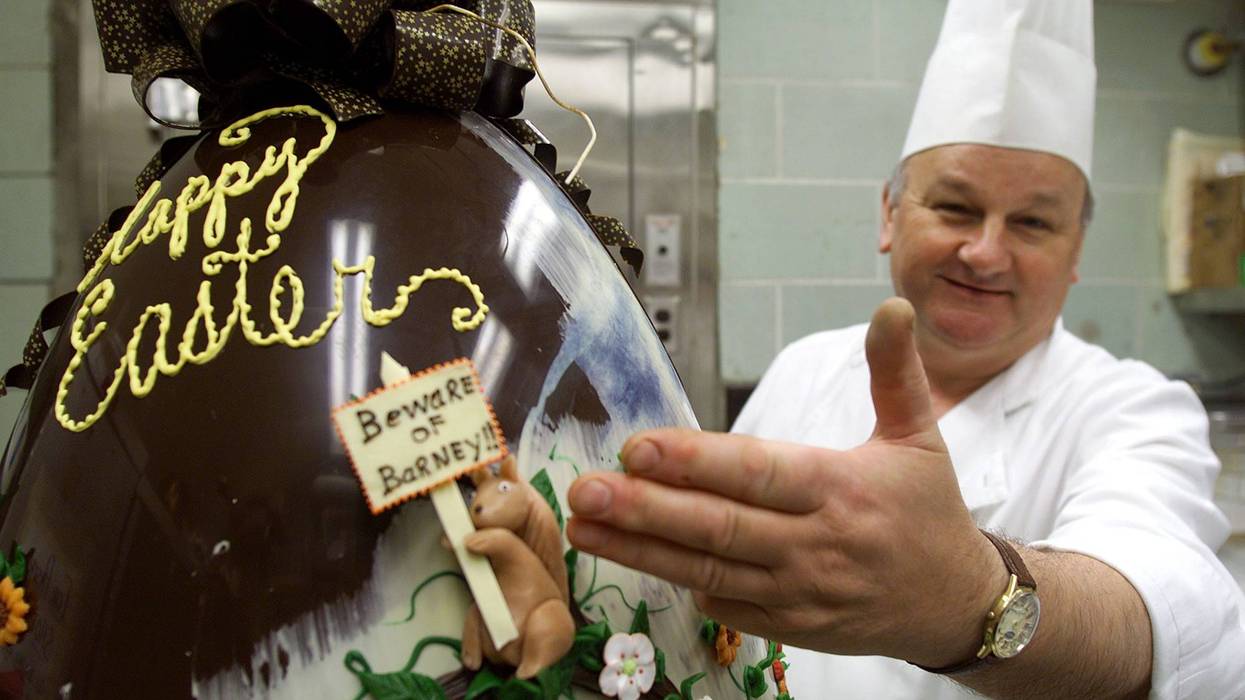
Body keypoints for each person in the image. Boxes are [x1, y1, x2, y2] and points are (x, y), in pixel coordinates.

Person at [563, 1, 1245, 698]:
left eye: (1033, 223)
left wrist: (967, 598)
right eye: (955, 208)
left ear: (1075, 254)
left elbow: (1170, 622)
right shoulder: (806, 368)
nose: (985, 252)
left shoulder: (1135, 410)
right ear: (889, 215)